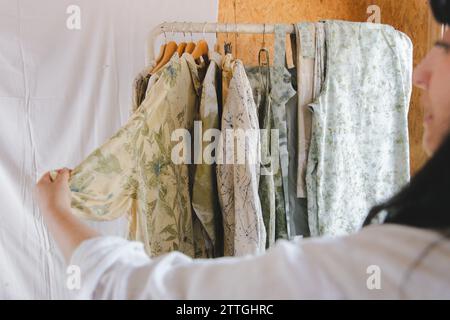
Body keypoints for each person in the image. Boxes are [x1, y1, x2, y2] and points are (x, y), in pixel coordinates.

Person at [35, 0, 450, 299]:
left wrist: (60, 209)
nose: (419, 73)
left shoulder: (403, 263)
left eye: (446, 46)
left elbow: (155, 291)